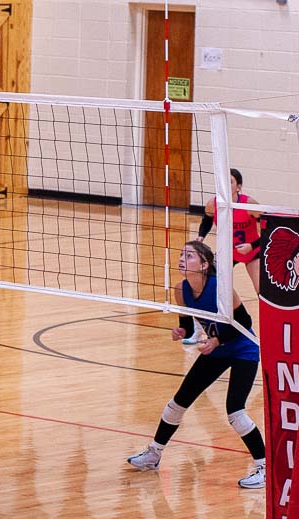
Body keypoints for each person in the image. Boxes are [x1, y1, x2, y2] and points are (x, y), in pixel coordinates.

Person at [127, 240, 265, 489]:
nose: (182, 259)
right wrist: (182, 330)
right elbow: (189, 325)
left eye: (189, 256)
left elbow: (244, 321)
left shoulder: (221, 288)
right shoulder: (181, 290)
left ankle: (263, 466)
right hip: (216, 350)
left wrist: (217, 340)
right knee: (178, 403)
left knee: (235, 411)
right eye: (181, 255)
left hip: (243, 349)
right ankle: (154, 454)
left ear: (203, 265)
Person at [186, 168, 262, 345]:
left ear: (238, 187)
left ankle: (270, 329)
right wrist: (200, 236)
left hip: (251, 252)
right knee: (206, 285)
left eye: (230, 182)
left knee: (261, 291)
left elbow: (267, 230)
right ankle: (198, 329)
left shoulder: (249, 204)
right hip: (228, 253)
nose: (226, 186)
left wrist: (251, 245)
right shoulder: (213, 204)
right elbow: (206, 220)